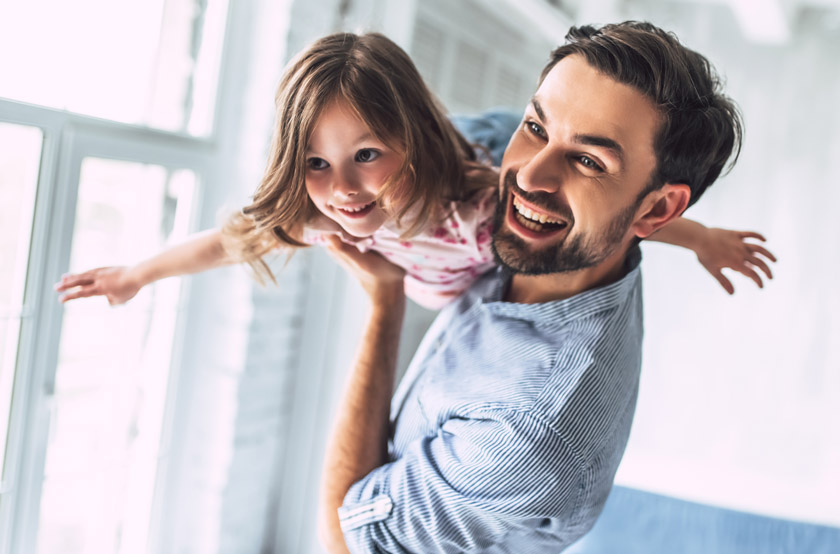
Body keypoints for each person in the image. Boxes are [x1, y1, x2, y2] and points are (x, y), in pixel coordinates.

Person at [316, 22, 759, 553]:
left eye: (589, 161)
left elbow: (346, 542)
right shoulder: (560, 231)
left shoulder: (529, 435)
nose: (529, 176)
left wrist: (384, 306)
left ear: (656, 208)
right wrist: (699, 240)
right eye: (537, 127)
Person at [54, 33, 775, 310]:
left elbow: (616, 212)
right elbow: (232, 241)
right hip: (442, 165)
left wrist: (701, 236)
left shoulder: (483, 212)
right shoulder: (320, 210)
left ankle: (498, 128)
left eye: (365, 153)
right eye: (315, 164)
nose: (342, 190)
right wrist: (136, 274)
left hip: (463, 167)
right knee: (492, 137)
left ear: (403, 139)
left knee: (512, 151)